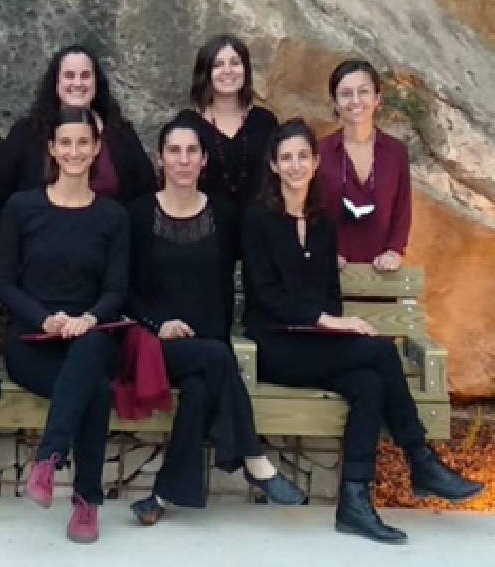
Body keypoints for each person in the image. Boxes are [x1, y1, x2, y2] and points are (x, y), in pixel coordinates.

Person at [242, 118, 482, 544]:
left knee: (369, 384)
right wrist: (330, 322)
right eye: (286, 158)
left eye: (303, 156)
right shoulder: (258, 219)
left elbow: (330, 294)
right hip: (273, 345)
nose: (295, 165)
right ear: (274, 166)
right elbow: (266, 296)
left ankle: (354, 501)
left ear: (315, 162)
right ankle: (420, 458)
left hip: (315, 346)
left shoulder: (322, 223)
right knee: (381, 353)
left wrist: (329, 322)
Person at [124, 113, 305, 524]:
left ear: (204, 160)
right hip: (154, 345)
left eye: (192, 151)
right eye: (174, 151)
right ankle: (255, 459)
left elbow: (265, 255)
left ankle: (160, 497)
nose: (183, 160)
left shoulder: (226, 215)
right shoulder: (136, 215)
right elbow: (122, 290)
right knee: (217, 360)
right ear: (160, 159)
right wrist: (157, 324)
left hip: (208, 348)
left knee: (202, 389)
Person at [0, 106, 128, 544]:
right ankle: (87, 501)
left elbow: (116, 290)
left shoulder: (113, 217)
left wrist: (87, 319)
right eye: (65, 142)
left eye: (83, 143)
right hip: (32, 340)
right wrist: (44, 318)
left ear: (96, 148)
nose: (74, 151)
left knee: (89, 355)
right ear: (51, 148)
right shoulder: (22, 207)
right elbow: (3, 281)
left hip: (91, 336)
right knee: (94, 389)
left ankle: (49, 458)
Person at [0, 44, 153, 227]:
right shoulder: (26, 134)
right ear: (56, 82)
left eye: (85, 76)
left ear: (96, 83)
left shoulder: (121, 134)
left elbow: (145, 196)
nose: (77, 83)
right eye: (69, 75)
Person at [317, 60, 411, 271]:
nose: (355, 100)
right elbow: (308, 210)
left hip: (381, 272)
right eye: (346, 94)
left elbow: (402, 209)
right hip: (330, 270)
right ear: (334, 102)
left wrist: (394, 251)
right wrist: (322, 249)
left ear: (377, 98)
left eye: (363, 92)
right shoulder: (320, 152)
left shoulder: (396, 153)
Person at [183, 34, 278, 208]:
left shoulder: (265, 122)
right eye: (218, 65)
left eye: (235, 63)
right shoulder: (188, 125)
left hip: (257, 220)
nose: (227, 70)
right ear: (206, 73)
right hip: (205, 220)